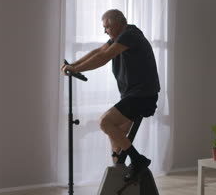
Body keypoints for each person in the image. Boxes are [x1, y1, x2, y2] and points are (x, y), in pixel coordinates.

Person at [61, 9, 160, 181]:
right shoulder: (119, 37)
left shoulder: (130, 35)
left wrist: (75, 69)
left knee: (105, 122)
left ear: (119, 24)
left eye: (107, 27)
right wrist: (72, 65)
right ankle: (119, 179)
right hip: (133, 95)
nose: (105, 30)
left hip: (142, 96)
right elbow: (98, 52)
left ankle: (138, 160)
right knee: (116, 136)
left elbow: (104, 58)